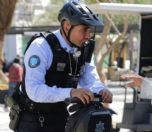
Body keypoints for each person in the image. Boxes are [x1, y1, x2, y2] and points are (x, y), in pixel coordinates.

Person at [16, 1, 112, 132]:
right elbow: (34, 90)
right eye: (84, 30)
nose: (88, 36)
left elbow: (90, 78)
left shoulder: (84, 48)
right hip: (33, 120)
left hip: (61, 116)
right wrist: (71, 92)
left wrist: (101, 90)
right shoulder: (41, 47)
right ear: (67, 26)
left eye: (89, 31)